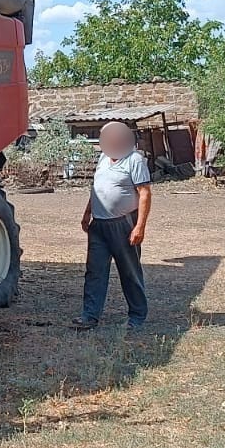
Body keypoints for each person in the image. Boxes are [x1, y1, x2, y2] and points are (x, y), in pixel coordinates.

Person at [71, 122, 152, 330]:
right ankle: (89, 316)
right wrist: (87, 212)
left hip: (123, 224)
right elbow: (97, 188)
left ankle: (137, 316)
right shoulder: (103, 159)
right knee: (94, 271)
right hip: (98, 225)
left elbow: (144, 193)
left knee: (129, 271)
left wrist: (139, 227)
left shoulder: (134, 160)